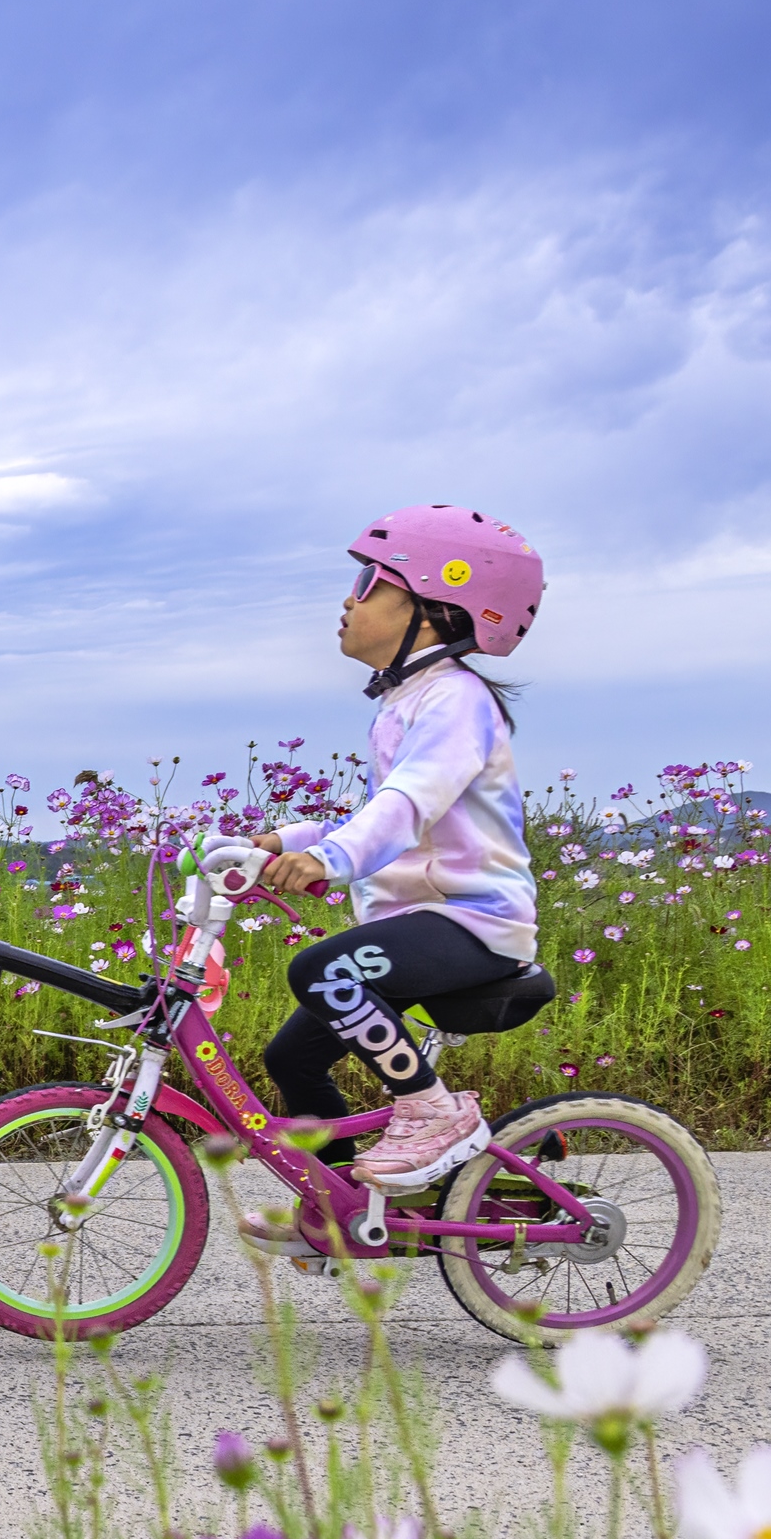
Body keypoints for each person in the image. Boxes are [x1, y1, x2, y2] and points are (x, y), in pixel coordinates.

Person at [249, 505, 551, 1198]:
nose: (348, 601)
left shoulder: (456, 701)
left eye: (367, 582)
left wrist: (330, 860)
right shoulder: (405, 703)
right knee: (292, 1057)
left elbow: (409, 804)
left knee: (324, 972)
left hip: (475, 922)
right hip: (419, 925)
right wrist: (283, 842)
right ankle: (345, 1207)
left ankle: (432, 1112)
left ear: (434, 605)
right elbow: (383, 812)